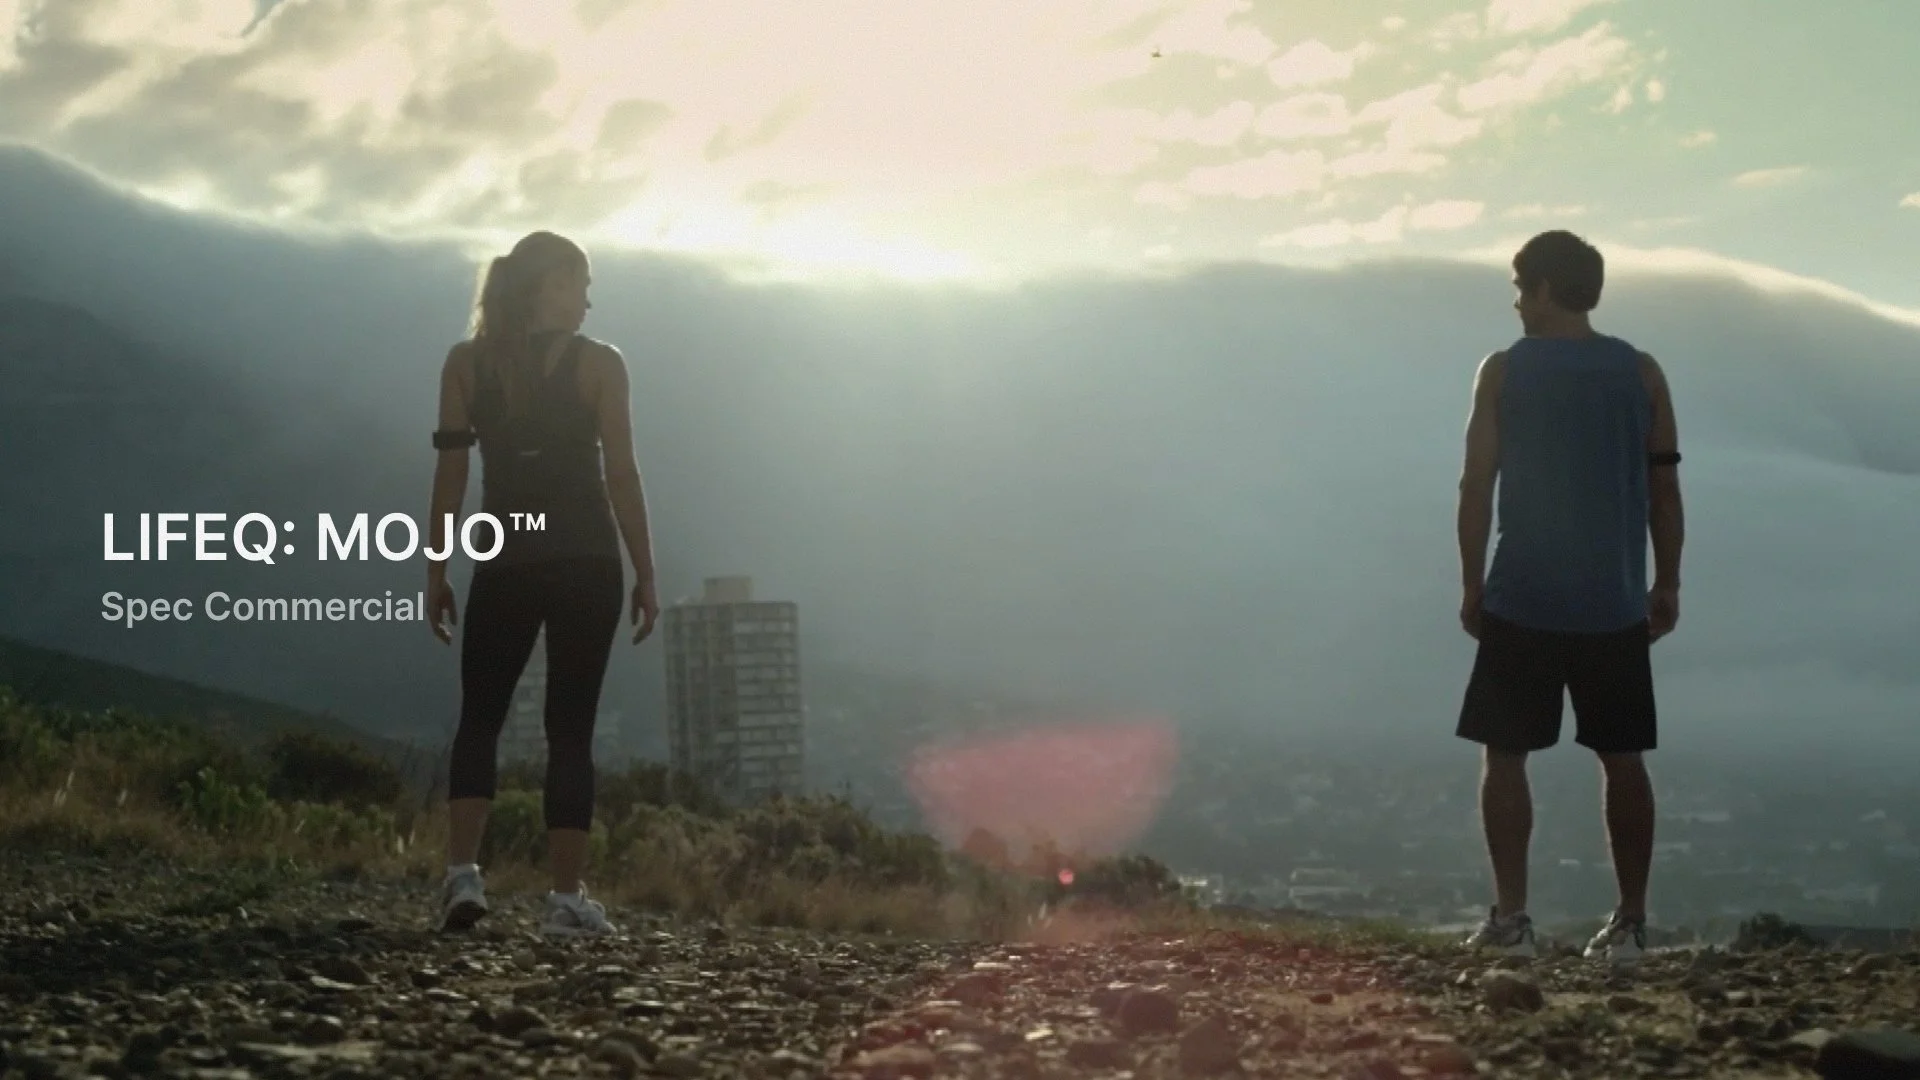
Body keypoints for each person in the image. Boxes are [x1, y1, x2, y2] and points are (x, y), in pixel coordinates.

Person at [1454, 230, 1684, 964]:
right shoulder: (1642, 372)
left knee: (1506, 754)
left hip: (1523, 593)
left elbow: (1476, 485)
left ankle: (1512, 921)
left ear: (1546, 288)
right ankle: (1632, 925)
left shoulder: (1503, 371)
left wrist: (1471, 583)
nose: (1517, 303)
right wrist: (1667, 580)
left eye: (1521, 288)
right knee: (1623, 757)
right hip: (1614, 599)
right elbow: (1664, 487)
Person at [423, 230, 660, 937]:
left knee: (480, 716)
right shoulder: (601, 365)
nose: (588, 300)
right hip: (587, 560)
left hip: (506, 559)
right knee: (571, 730)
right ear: (548, 286)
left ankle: (462, 877)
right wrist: (646, 572)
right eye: (580, 284)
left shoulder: (466, 364)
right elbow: (622, 474)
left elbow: (450, 476)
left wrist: (435, 569)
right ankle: (564, 900)